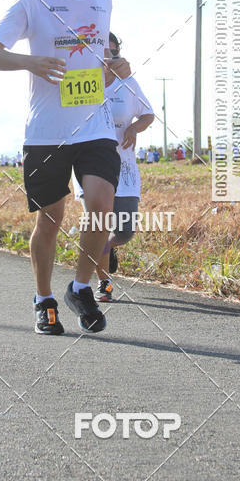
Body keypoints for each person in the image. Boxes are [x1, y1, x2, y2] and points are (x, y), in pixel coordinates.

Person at [0, 0, 130, 335]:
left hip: (95, 126)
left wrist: (118, 65)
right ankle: (44, 299)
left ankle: (80, 287)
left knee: (101, 205)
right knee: (51, 220)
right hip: (46, 132)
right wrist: (31, 62)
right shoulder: (34, 1)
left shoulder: (103, 0)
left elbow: (99, 59)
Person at [74, 32, 154, 301]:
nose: (109, 57)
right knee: (100, 224)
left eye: (114, 52)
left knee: (125, 231)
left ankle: (106, 247)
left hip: (125, 168)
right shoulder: (82, 80)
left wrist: (134, 128)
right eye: (103, 52)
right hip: (91, 165)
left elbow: (148, 114)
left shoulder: (128, 83)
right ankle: (104, 283)